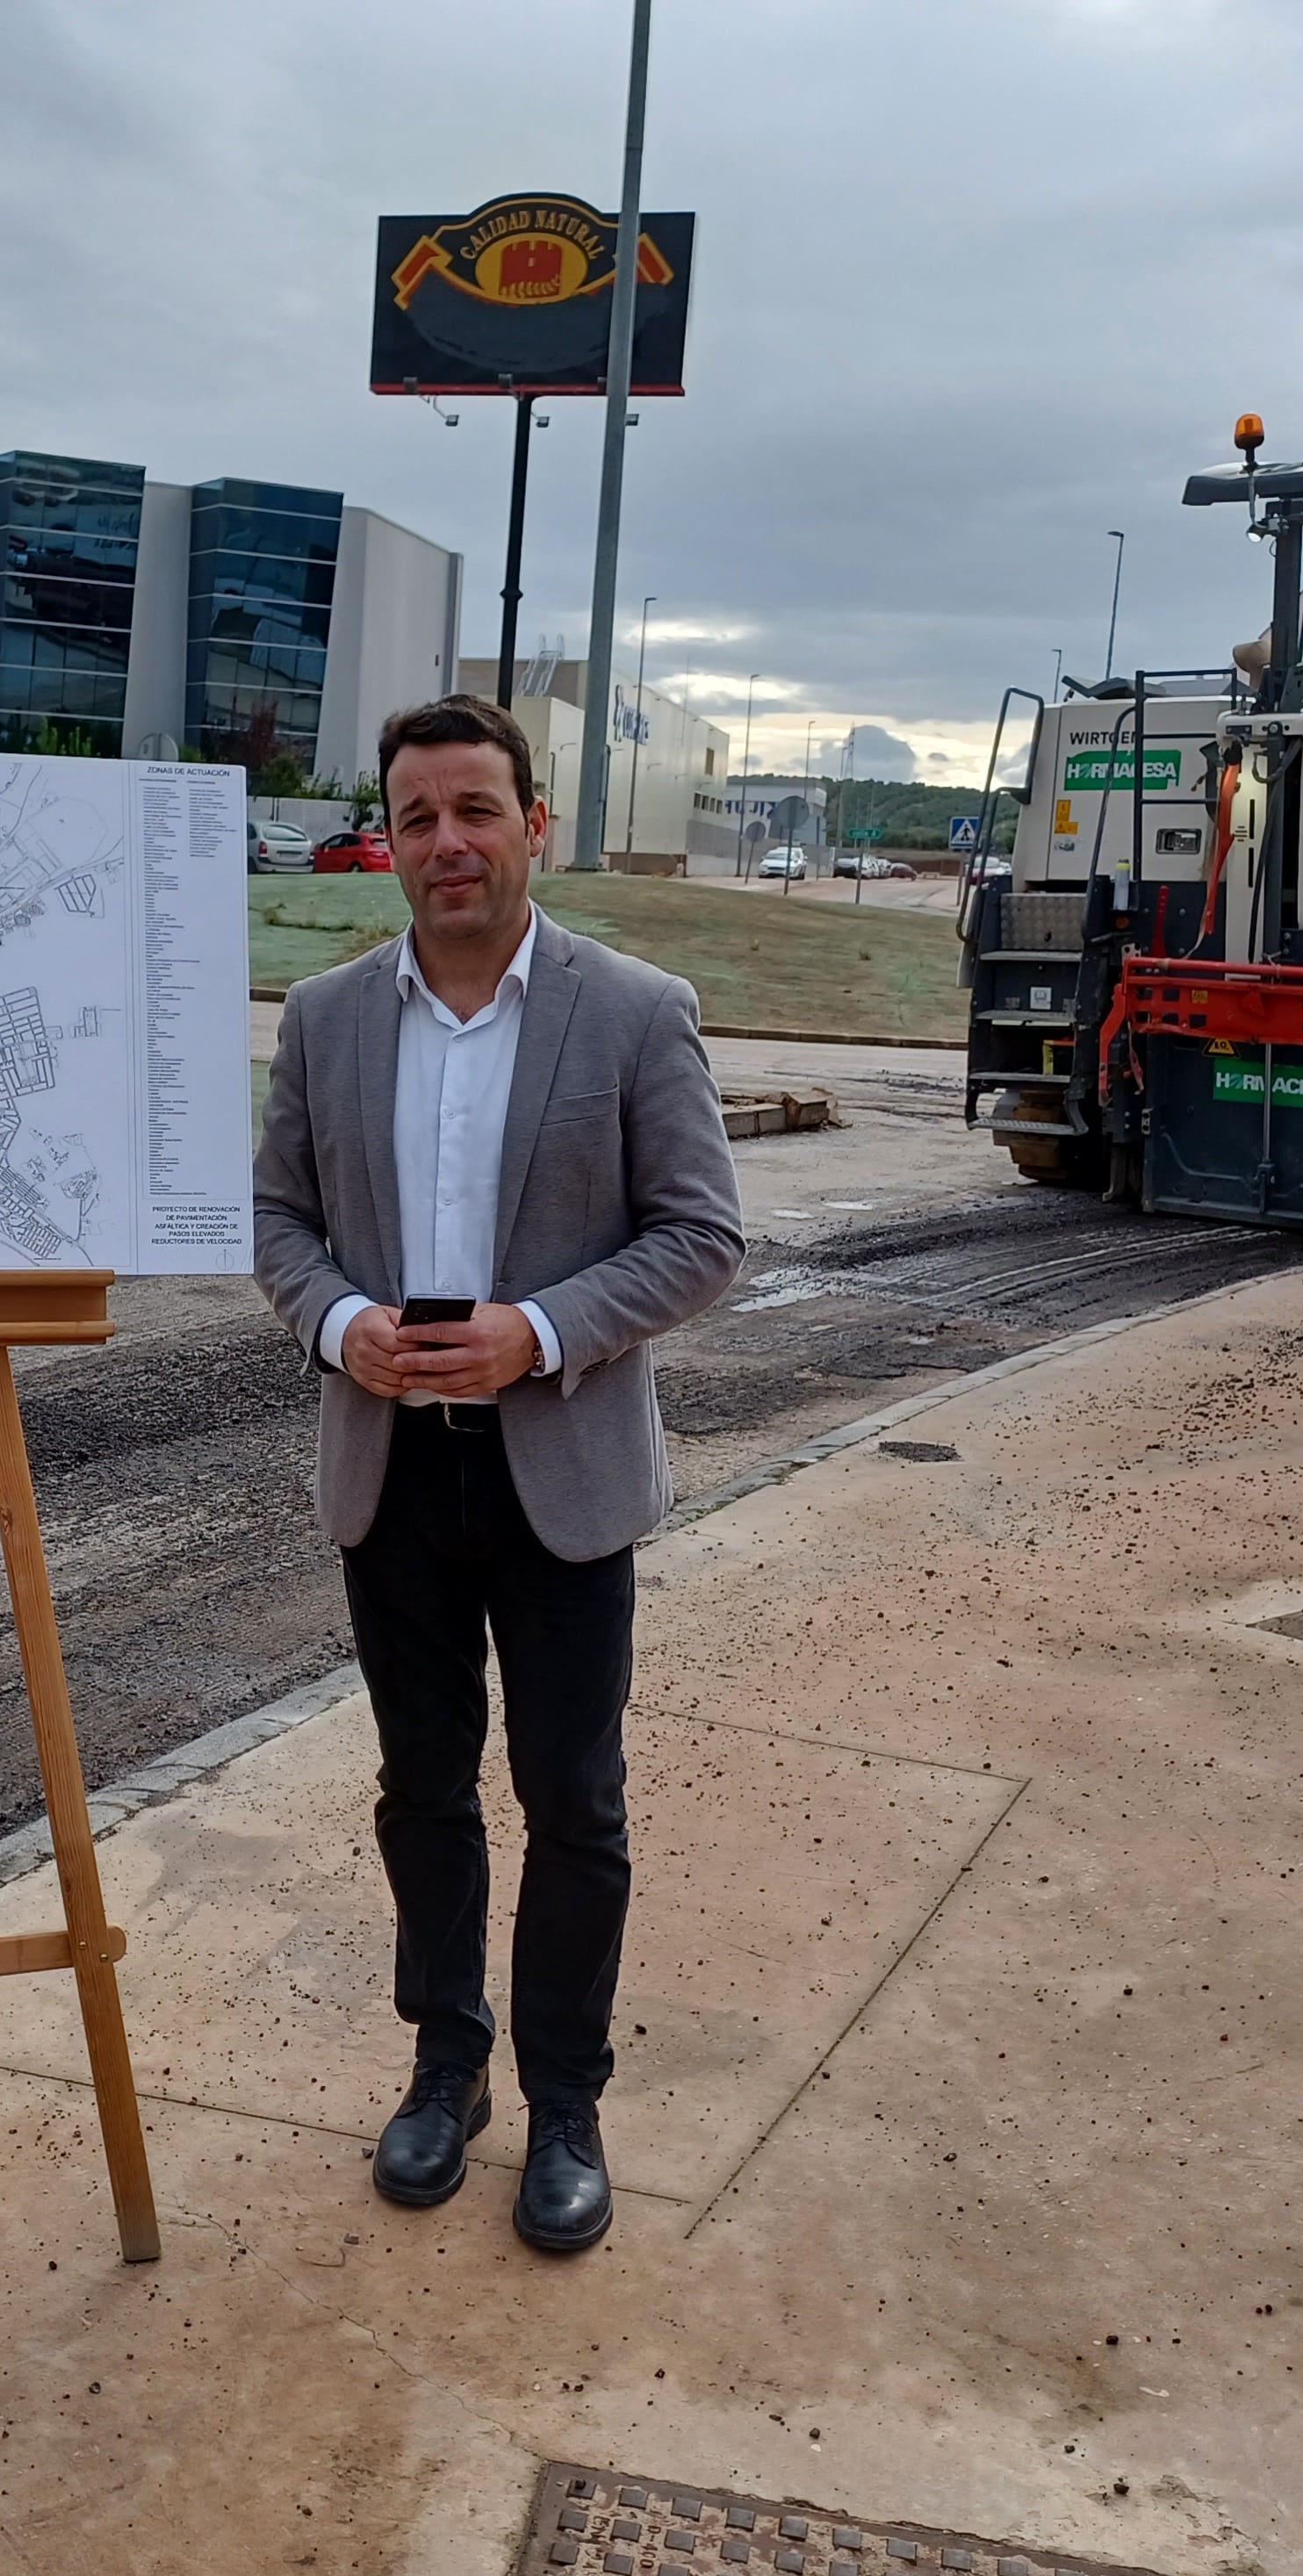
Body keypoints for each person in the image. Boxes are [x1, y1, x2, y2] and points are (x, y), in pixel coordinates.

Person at [252, 692, 744, 2255]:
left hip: (563, 1472)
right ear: (384, 844)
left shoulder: (633, 1009)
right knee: (421, 1789)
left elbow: (701, 1235)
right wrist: (341, 1325)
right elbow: (276, 1227)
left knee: (573, 1798)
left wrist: (539, 1332)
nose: (448, 844)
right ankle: (446, 2064)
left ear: (535, 823)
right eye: (417, 819)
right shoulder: (328, 1020)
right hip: (392, 1470)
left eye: (477, 810)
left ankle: (568, 2104)